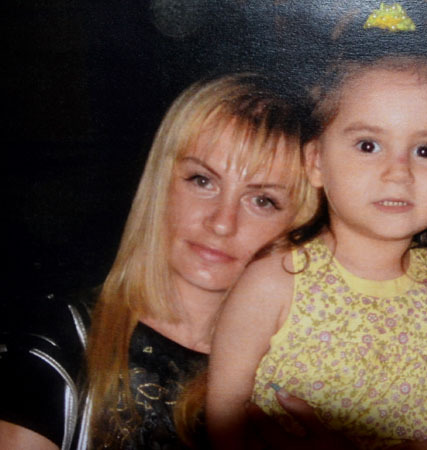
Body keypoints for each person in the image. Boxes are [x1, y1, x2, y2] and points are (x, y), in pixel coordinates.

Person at [0, 73, 319, 449]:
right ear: (160, 184)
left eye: (262, 201)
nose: (221, 222)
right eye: (202, 180)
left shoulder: (307, 376)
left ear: (299, 224)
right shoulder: (62, 342)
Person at [206, 54, 427, 449]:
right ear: (316, 161)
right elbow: (224, 411)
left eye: (425, 150)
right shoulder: (274, 283)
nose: (398, 172)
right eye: (368, 145)